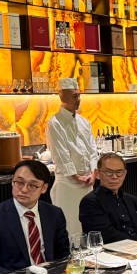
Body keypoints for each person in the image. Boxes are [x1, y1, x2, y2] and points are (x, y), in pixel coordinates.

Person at [0, 160, 70, 274]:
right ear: (12, 181)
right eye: (19, 182)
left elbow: (63, 255)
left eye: (32, 185)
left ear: (44, 188)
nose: (24, 190)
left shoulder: (54, 213)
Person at [45, 78, 98, 236]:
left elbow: (93, 150)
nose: (78, 99)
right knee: (70, 228)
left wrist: (93, 172)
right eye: (74, 96)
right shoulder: (55, 123)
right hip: (67, 185)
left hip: (87, 183)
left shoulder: (84, 122)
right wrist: (75, 176)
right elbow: (60, 154)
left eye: (79, 95)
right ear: (62, 97)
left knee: (89, 227)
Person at [80, 153, 137, 242]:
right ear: (97, 174)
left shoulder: (133, 200)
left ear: (125, 174)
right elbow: (106, 236)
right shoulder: (90, 202)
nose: (114, 177)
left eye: (119, 172)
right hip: (111, 250)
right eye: (108, 172)